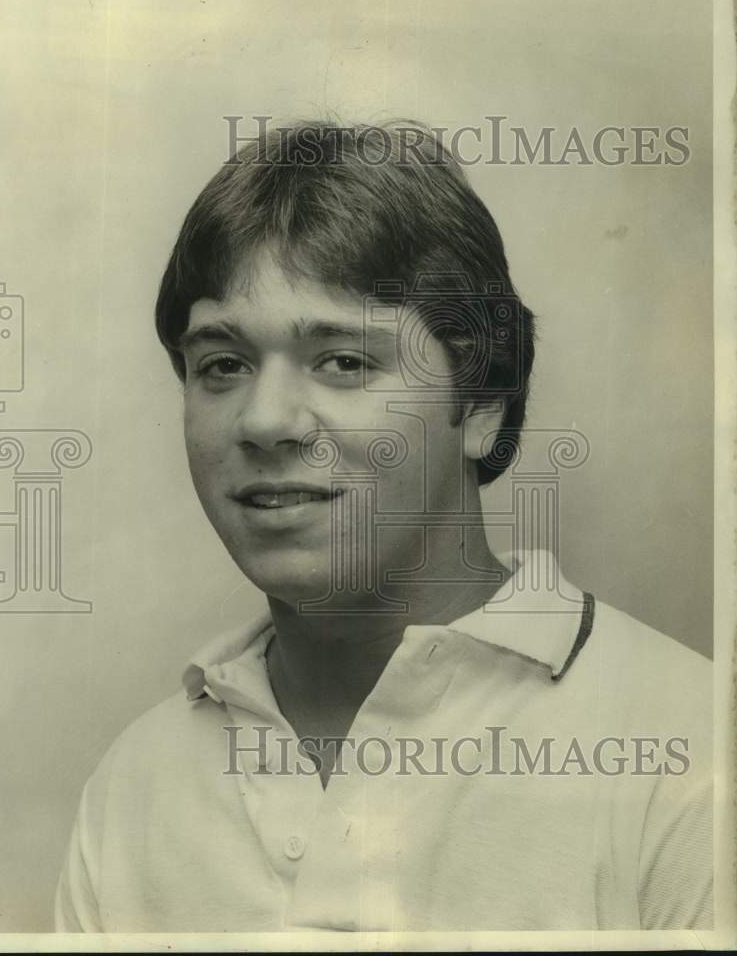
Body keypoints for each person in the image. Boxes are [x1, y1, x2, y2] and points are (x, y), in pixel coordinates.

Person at [55, 120, 712, 933]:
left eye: (343, 362)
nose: (265, 422)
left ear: (479, 405)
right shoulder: (135, 786)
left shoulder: (687, 750)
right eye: (221, 364)